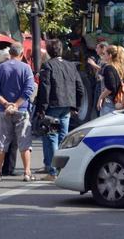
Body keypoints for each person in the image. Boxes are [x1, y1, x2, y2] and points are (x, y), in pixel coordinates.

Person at [0, 42, 36, 182]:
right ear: (21, 54)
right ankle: (27, 173)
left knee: (1, 142)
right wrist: (16, 105)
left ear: (10, 53)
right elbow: (29, 90)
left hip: (3, 110)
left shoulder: (0, 68)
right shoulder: (26, 68)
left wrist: (6, 104)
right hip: (22, 110)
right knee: (24, 142)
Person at [36, 39, 85, 181]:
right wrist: (76, 106)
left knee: (51, 137)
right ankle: (58, 168)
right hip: (67, 105)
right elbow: (80, 87)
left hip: (53, 105)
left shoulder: (48, 65)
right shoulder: (70, 65)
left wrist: (41, 108)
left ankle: (53, 171)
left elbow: (45, 88)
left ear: (49, 51)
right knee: (62, 138)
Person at [97, 45, 124, 116]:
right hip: (118, 101)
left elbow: (110, 87)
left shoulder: (108, 68)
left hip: (109, 103)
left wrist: (101, 97)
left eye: (105, 53)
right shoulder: (119, 67)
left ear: (110, 56)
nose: (103, 55)